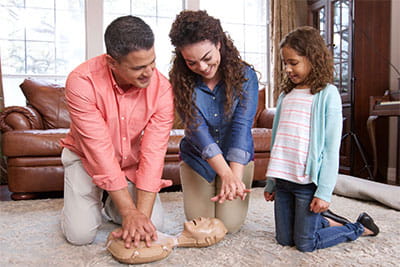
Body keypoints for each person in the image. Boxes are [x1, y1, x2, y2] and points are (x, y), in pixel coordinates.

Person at [60, 15, 174, 249]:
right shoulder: (81, 82)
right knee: (79, 236)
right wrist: (129, 212)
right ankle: (83, 205)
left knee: (154, 223)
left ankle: (113, 205)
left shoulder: (162, 88)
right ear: (112, 62)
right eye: (138, 67)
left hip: (128, 162)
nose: (149, 73)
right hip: (85, 158)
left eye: (152, 62)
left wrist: (138, 216)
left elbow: (153, 153)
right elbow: (99, 151)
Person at [263, 26, 379, 252]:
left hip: (307, 183)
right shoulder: (285, 96)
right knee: (284, 240)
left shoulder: (327, 95)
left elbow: (330, 147)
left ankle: (358, 227)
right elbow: (277, 142)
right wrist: (271, 182)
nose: (287, 69)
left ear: (313, 59)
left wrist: (324, 192)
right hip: (284, 181)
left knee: (306, 244)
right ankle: (322, 221)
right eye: (284, 63)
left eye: (293, 63)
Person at [168, 10, 259, 233]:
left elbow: (241, 126)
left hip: (237, 159)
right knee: (204, 226)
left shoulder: (246, 76)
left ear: (219, 43)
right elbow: (196, 130)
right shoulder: (180, 80)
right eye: (192, 62)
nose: (202, 67)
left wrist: (233, 178)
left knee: (228, 226)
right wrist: (223, 173)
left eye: (207, 58)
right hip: (198, 159)